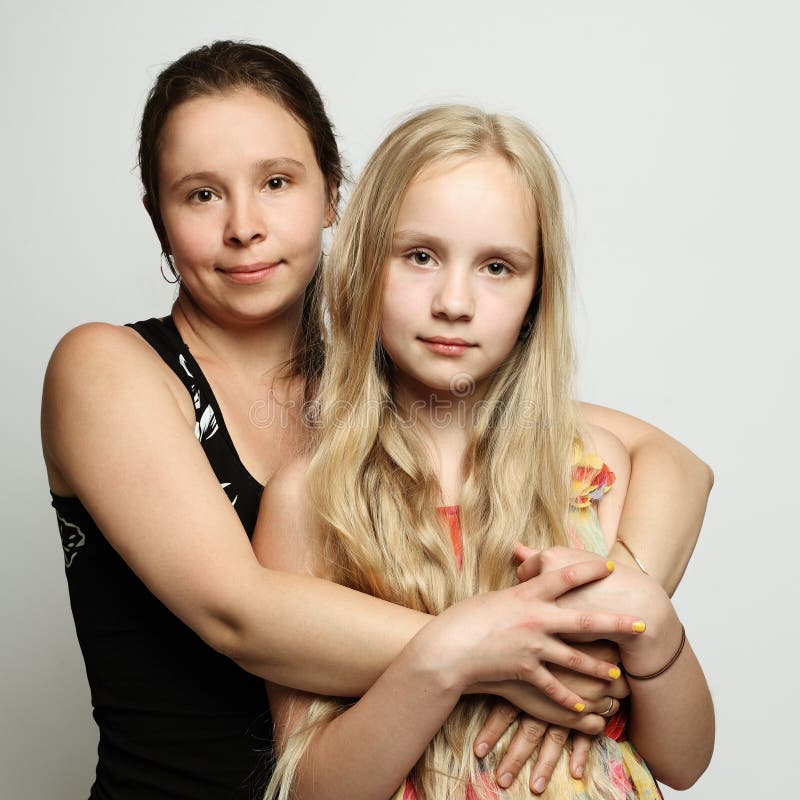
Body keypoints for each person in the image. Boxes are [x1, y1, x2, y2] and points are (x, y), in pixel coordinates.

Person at [40, 41, 712, 800]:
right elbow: (239, 614)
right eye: (200, 194)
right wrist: (506, 652)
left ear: (334, 196)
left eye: (277, 182)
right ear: (157, 218)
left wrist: (612, 609)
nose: (244, 225)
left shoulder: (391, 384)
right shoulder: (107, 367)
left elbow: (670, 462)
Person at [255, 105, 714, 800]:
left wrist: (656, 627)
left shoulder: (593, 472)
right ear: (363, 265)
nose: (455, 301)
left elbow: (685, 761)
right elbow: (312, 789)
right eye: (419, 256)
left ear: (537, 293)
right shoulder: (311, 502)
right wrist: (444, 660)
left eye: (498, 266)